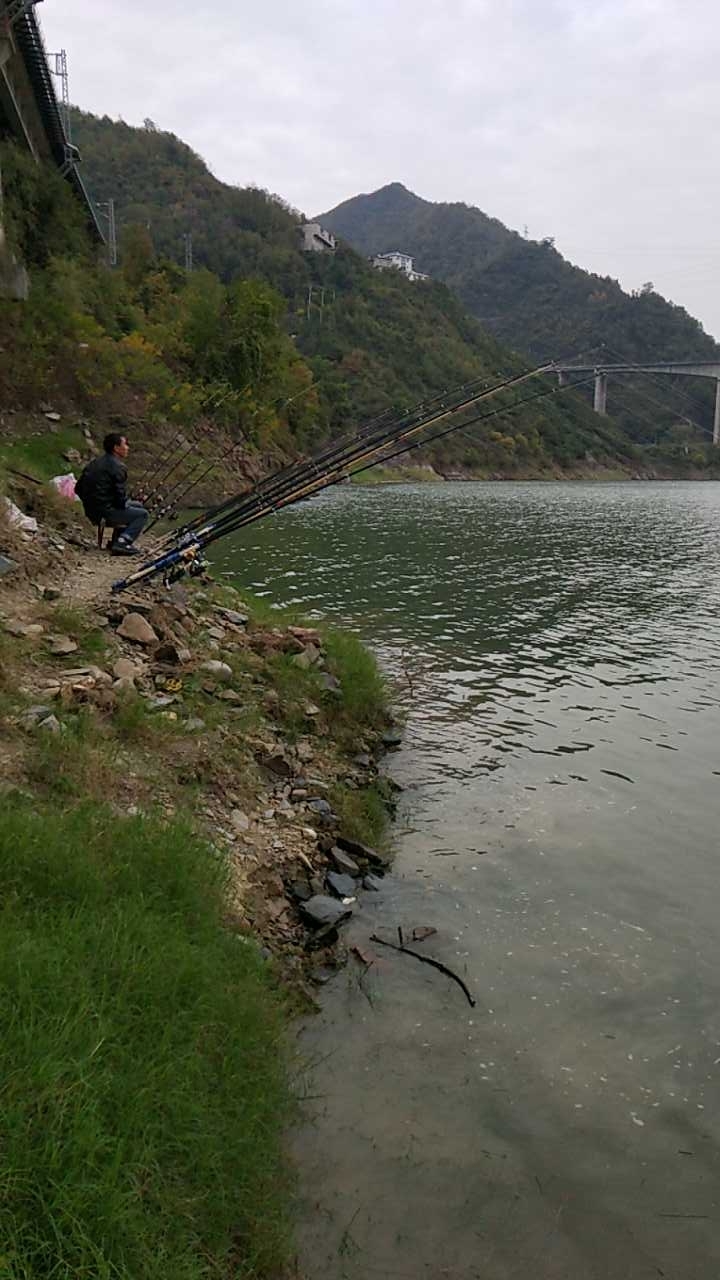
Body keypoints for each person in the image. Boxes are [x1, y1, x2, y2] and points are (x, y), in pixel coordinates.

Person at [75, 433, 149, 556]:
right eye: (125, 444)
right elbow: (120, 500)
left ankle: (115, 540)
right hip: (105, 512)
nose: (127, 447)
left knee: (137, 505)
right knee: (143, 514)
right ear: (116, 448)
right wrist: (124, 503)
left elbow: (78, 489)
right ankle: (123, 542)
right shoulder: (118, 467)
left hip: (91, 511)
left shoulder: (94, 463)